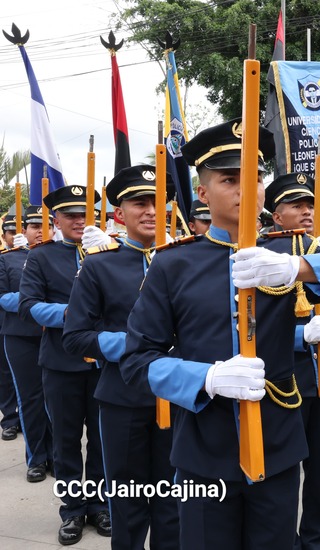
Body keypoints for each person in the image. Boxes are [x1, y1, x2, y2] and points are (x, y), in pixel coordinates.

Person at [120, 119, 320, 550]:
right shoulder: (174, 265)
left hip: (278, 442)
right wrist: (204, 378)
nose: (247, 189)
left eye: (255, 178)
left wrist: (297, 269)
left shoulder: (289, 250)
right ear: (204, 194)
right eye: (230, 179)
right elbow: (137, 361)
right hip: (204, 451)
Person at [62, 165, 180, 550]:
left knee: (173, 504)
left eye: (156, 202)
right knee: (127, 506)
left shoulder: (184, 259)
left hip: (177, 397)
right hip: (123, 398)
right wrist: (132, 345)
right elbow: (76, 336)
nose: (150, 211)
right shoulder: (99, 264)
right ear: (119, 214)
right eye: (139, 203)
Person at [18, 185, 111, 545]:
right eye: (71, 215)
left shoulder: (107, 251)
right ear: (55, 219)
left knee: (103, 441)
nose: (79, 221)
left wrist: (105, 250)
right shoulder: (42, 257)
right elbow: (28, 306)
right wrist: (71, 315)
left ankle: (101, 504)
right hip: (61, 363)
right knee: (67, 442)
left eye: (85, 214)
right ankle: (72, 510)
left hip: (103, 362)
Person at [264, 171, 320, 547]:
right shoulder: (263, 253)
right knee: (280, 471)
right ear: (275, 214)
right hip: (283, 381)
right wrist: (300, 336)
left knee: (319, 471)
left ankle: (316, 540)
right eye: (295, 206)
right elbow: (252, 327)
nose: (306, 212)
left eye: (309, 205)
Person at [0, 205, 50, 480]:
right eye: (35, 226)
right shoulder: (8, 259)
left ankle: (55, 454)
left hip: (54, 336)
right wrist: (37, 302)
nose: (41, 231)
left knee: (55, 402)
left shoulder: (62, 256)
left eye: (47, 226)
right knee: (30, 398)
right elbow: (3, 298)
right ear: (24, 231)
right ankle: (37, 458)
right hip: (21, 336)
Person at [0, 213, 21, 441]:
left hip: (30, 326)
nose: (16, 236)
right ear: (5, 236)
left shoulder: (35, 255)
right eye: (11, 233)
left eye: (19, 231)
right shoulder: (3, 258)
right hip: (5, 323)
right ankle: (10, 419)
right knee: (6, 376)